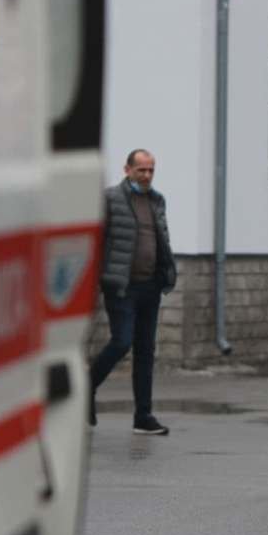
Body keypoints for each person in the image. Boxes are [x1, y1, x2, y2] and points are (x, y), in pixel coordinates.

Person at [88, 149, 176, 435]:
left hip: (150, 285)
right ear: (128, 170)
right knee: (122, 341)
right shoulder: (111, 199)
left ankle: (143, 416)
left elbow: (161, 238)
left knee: (145, 352)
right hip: (122, 286)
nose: (147, 176)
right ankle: (87, 386)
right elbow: (97, 240)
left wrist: (167, 273)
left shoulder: (156, 200)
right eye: (142, 170)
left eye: (151, 170)